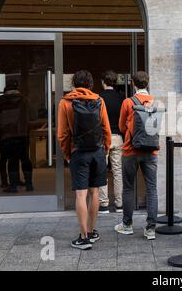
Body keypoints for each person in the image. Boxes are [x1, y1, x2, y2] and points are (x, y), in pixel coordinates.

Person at [57, 70, 112, 250]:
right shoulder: (99, 100)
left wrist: (67, 154)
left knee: (80, 194)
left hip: (78, 152)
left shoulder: (66, 103)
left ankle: (83, 238)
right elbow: (106, 128)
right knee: (94, 192)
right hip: (97, 151)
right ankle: (91, 231)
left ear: (74, 83)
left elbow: (62, 134)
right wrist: (105, 149)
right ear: (90, 84)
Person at [114, 71, 159, 240]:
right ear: (147, 83)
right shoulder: (154, 101)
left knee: (128, 188)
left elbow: (121, 126)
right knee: (152, 188)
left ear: (133, 84)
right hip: (151, 150)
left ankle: (127, 225)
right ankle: (151, 229)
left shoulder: (128, 102)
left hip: (131, 150)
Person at [0, 80, 33, 193]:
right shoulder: (24, 100)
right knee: (25, 158)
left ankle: (12, 186)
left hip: (6, 135)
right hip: (22, 134)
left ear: (5, 90)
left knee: (11, 159)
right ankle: (29, 184)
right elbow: (33, 115)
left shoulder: (0, 102)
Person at [98, 71, 125, 214]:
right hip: (118, 137)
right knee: (118, 171)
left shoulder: (99, 98)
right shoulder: (121, 98)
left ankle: (103, 204)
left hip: (103, 137)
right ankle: (119, 204)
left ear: (103, 81)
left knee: (102, 170)